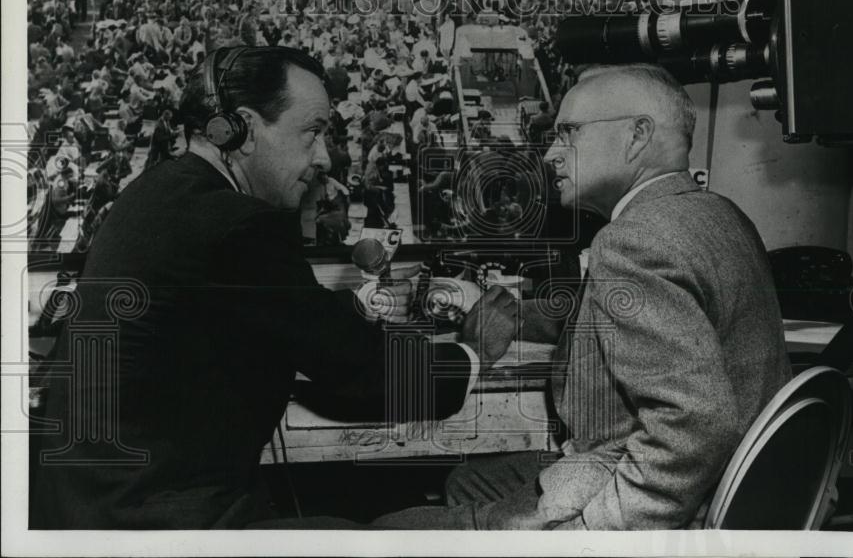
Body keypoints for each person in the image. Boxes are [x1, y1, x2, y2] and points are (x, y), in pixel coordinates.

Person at [31, 45, 519, 529]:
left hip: (97, 507)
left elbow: (266, 313)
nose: (324, 158)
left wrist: (355, 309)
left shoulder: (160, 191)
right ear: (242, 130)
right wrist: (472, 353)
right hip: (166, 519)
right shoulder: (239, 224)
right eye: (311, 133)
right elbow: (363, 374)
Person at [376, 63, 790, 530]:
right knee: (470, 482)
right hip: (739, 488)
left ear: (637, 136)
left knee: (391, 531)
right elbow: (621, 321)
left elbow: (695, 425)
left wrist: (590, 532)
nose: (552, 153)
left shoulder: (634, 238)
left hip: (666, 499)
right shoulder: (721, 214)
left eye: (569, 132)